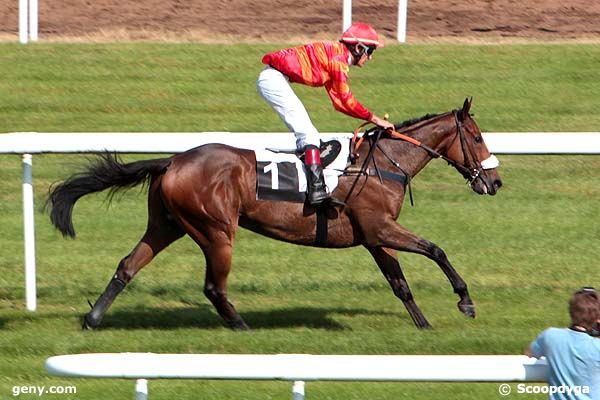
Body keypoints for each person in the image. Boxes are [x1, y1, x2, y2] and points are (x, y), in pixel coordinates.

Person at [256, 22, 395, 206]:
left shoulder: (336, 57)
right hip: (274, 80)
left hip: (275, 78)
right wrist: (374, 118)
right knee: (308, 134)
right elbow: (346, 101)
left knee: (310, 134)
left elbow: (339, 102)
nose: (370, 57)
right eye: (370, 51)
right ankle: (316, 192)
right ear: (359, 47)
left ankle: (312, 183)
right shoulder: (338, 61)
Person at [526, 287, 600, 399]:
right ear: (596, 318)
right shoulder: (596, 347)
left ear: (571, 311)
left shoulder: (550, 336)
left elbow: (529, 352)